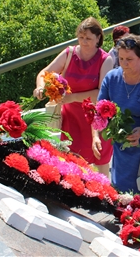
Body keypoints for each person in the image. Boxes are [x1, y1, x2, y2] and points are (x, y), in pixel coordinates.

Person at [33, 17, 113, 176]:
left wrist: (72, 97)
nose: (84, 42)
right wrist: (40, 87)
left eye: (89, 38)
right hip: (71, 120)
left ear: (98, 38)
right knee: (72, 168)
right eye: (81, 37)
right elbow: (44, 73)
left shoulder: (106, 60)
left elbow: (101, 94)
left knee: (100, 171)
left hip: (95, 119)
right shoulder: (69, 53)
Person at [92, 34, 140, 193]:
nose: (124, 64)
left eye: (129, 59)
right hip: (122, 149)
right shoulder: (112, 78)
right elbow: (98, 113)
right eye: (121, 59)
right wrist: (95, 136)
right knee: (122, 194)